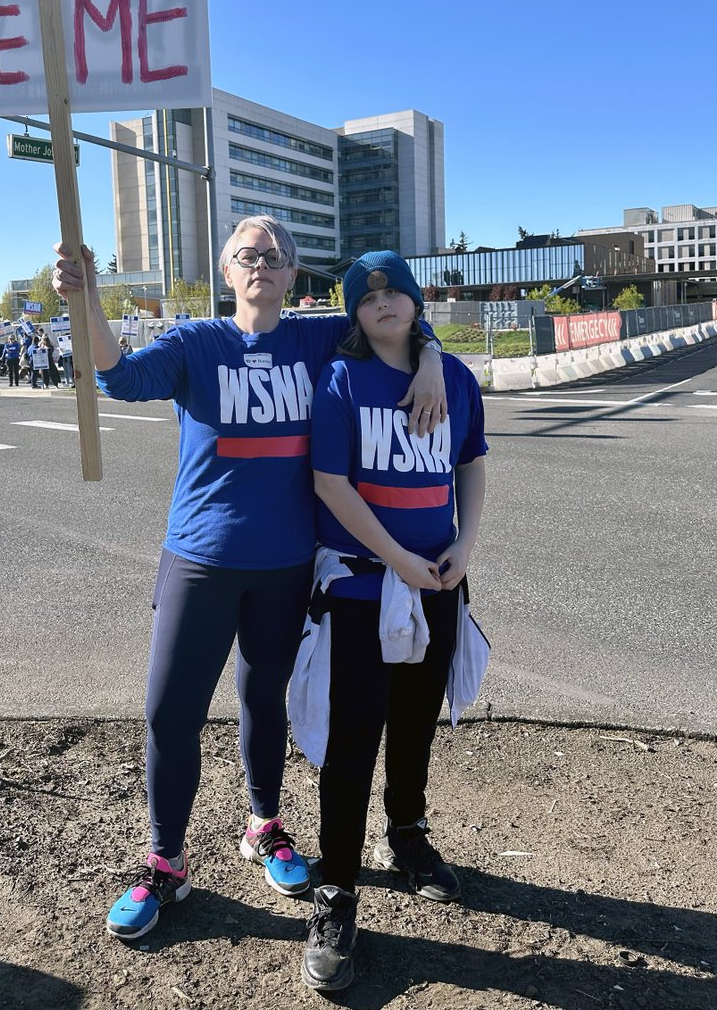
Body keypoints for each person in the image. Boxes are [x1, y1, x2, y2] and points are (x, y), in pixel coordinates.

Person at [51, 215, 447, 943]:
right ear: (226, 272)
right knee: (170, 711)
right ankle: (165, 861)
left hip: (286, 564)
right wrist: (90, 300)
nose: (259, 262)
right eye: (245, 253)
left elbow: (389, 318)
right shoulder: (198, 343)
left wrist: (428, 354)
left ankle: (264, 826)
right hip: (199, 560)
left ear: (292, 276)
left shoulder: (314, 338)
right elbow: (119, 376)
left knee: (264, 700)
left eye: (272, 255)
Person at [297, 251, 487, 994]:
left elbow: (469, 463)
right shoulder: (341, 380)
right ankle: (336, 889)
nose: (382, 304)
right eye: (366, 298)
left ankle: (405, 833)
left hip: (438, 579)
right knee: (352, 740)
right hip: (361, 588)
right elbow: (329, 483)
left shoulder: (455, 378)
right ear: (353, 313)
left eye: (394, 292)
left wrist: (464, 546)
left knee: (414, 722)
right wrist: (396, 559)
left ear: (413, 301)